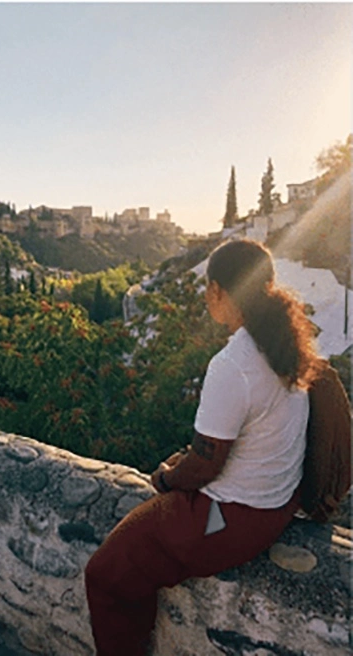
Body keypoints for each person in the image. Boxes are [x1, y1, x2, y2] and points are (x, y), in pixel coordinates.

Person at [84, 239, 320, 656]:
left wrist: (166, 477)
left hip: (232, 518)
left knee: (105, 573)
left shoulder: (233, 364)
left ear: (217, 291)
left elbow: (205, 468)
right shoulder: (285, 345)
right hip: (279, 503)